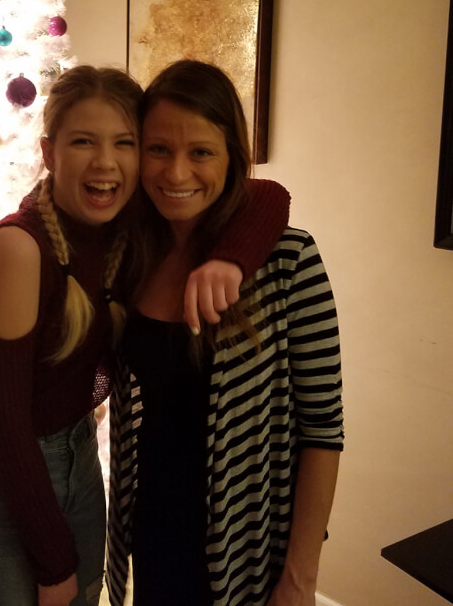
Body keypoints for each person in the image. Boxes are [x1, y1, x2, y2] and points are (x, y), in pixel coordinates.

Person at [0, 63, 291, 606]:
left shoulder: (127, 235)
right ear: (50, 151)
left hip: (78, 455)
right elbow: (6, 424)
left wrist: (231, 260)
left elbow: (268, 193)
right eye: (84, 141)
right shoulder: (21, 245)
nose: (106, 162)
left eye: (125, 142)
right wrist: (54, 565)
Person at [105, 60, 344, 606]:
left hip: (251, 545)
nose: (177, 173)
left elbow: (323, 430)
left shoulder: (288, 261)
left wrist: (301, 577)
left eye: (201, 152)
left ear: (232, 155)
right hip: (153, 530)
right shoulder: (129, 254)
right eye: (158, 149)